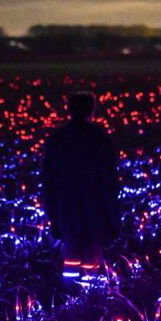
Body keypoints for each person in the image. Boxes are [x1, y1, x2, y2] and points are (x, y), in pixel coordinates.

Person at [41, 92, 121, 280]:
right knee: (92, 255)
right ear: (91, 111)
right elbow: (109, 181)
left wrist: (53, 216)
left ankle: (70, 294)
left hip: (66, 210)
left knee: (71, 254)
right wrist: (113, 219)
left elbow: (48, 182)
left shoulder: (58, 139)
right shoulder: (98, 138)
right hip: (94, 211)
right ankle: (89, 295)